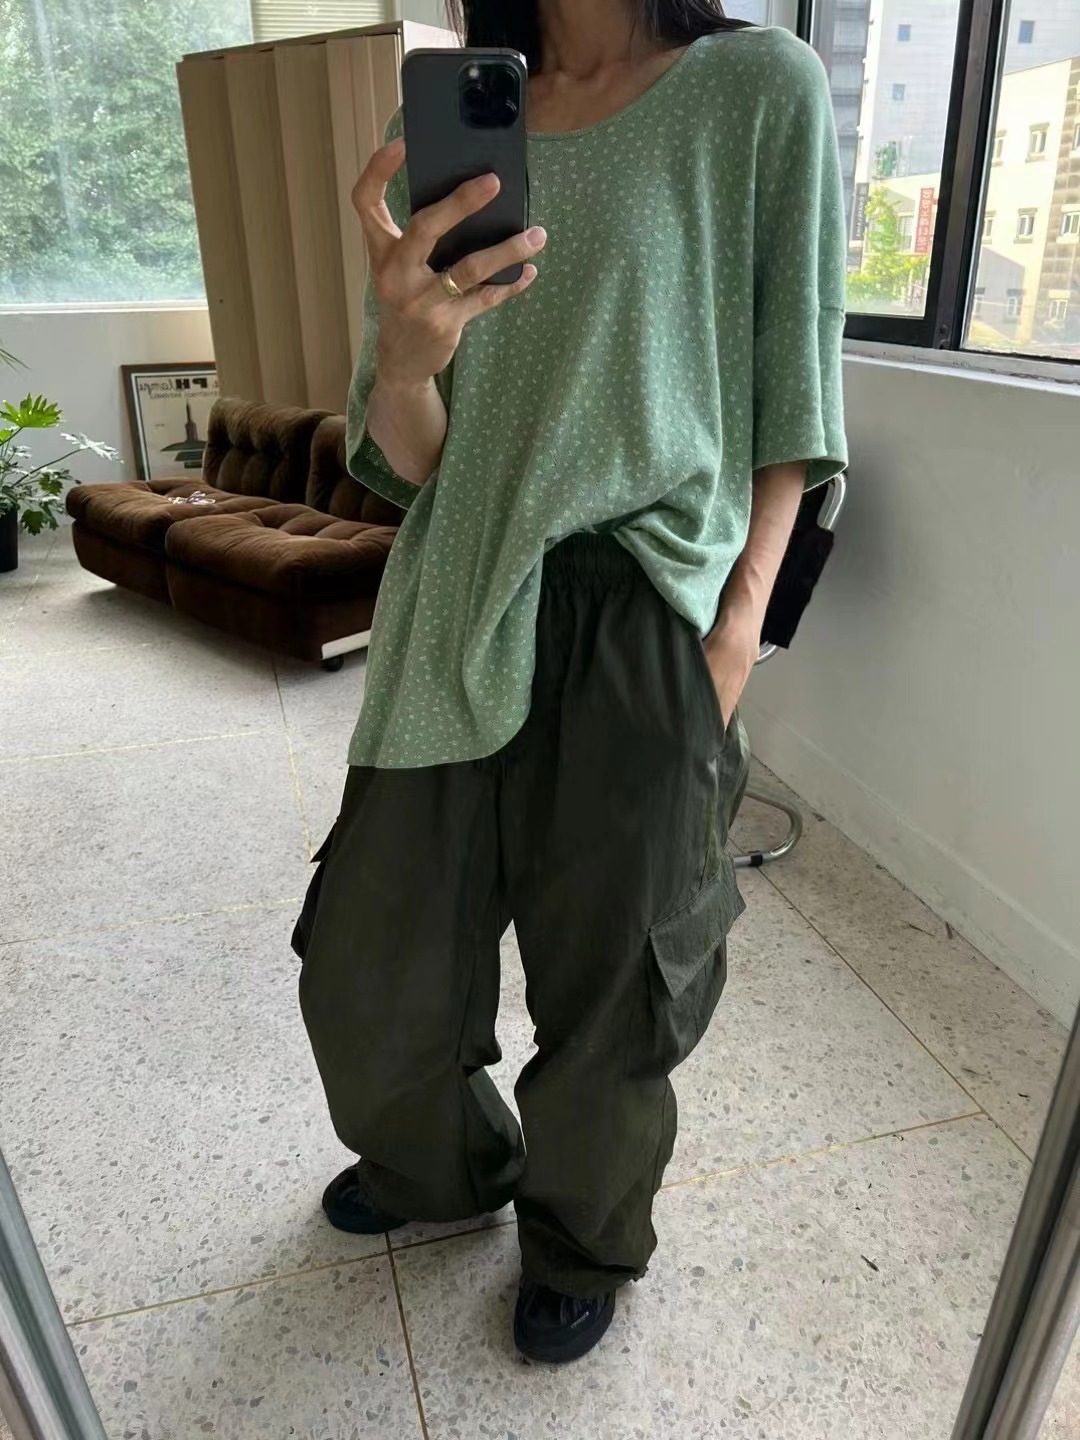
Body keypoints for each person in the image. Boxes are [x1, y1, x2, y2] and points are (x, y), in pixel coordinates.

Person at [294, 0, 847, 1365]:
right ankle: (441, 1167)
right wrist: (407, 355)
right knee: (369, 962)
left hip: (645, 599)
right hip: (458, 582)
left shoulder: (756, 88)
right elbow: (415, 453)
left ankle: (580, 1236)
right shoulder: (449, 119)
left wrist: (735, 630)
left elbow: (796, 390)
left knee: (617, 980)